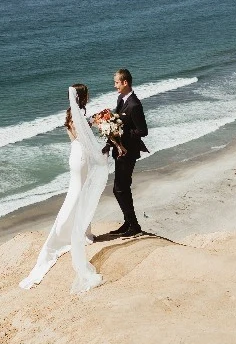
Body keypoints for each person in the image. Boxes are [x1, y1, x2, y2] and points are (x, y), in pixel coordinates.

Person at [19, 84, 109, 293]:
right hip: (82, 157)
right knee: (79, 194)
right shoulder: (79, 115)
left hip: (75, 155)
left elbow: (78, 134)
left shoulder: (71, 114)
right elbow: (85, 138)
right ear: (82, 97)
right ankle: (67, 233)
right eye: (86, 94)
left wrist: (93, 121)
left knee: (77, 193)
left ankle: (83, 231)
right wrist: (99, 128)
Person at [107, 68, 149, 237]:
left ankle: (134, 226)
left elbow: (143, 131)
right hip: (119, 151)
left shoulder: (134, 105)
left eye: (117, 82)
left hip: (129, 152)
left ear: (125, 82)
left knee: (120, 189)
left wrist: (122, 133)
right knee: (121, 188)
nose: (115, 85)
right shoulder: (121, 98)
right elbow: (117, 120)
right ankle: (128, 222)